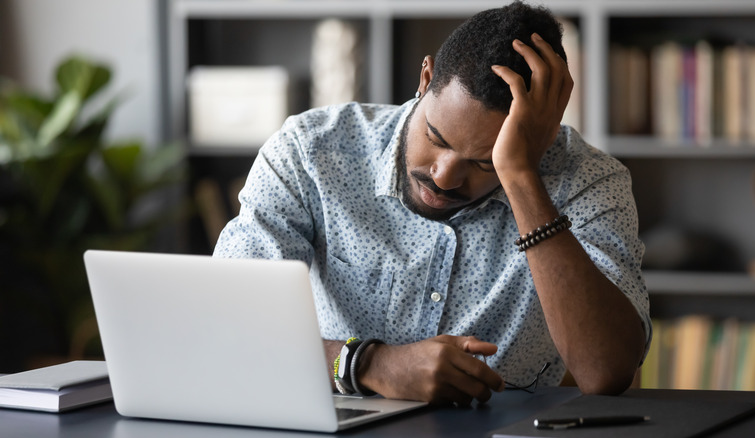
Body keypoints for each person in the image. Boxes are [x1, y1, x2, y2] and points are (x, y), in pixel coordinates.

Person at [214, 0, 650, 405]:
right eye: (436, 137)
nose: (443, 175)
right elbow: (227, 323)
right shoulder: (311, 152)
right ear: (425, 79)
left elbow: (604, 372)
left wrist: (521, 176)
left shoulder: (590, 181)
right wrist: (367, 364)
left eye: (483, 163)